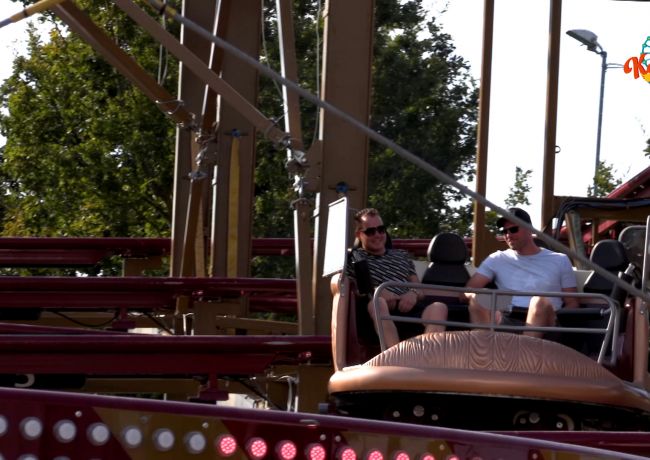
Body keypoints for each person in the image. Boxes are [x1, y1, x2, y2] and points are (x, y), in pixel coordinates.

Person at [463, 207, 579, 338]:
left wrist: (562, 323)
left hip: (547, 323)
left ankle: (525, 355)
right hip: (508, 318)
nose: (508, 235)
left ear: (529, 230)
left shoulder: (560, 260)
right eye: (504, 231)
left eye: (513, 229)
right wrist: (493, 304)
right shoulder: (497, 259)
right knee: (477, 298)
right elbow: (468, 290)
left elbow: (572, 302)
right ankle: (483, 354)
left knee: (538, 302)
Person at [346, 208, 448, 348]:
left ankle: (427, 357)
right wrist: (377, 292)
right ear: (359, 234)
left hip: (410, 310)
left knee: (439, 307)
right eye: (370, 231)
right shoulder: (354, 258)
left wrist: (412, 293)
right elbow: (353, 290)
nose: (377, 235)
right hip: (378, 311)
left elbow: (419, 289)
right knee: (378, 303)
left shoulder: (402, 255)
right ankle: (395, 357)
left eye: (381, 229)